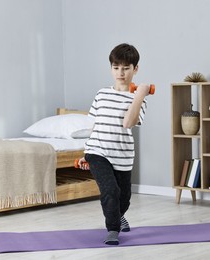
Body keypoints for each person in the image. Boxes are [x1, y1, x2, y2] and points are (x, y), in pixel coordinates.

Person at [77, 43, 150, 245]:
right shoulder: (101, 94)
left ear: (135, 69)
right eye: (116, 68)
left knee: (124, 197)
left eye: (126, 68)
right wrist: (86, 152)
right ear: (111, 68)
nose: (121, 73)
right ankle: (113, 230)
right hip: (98, 152)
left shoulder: (139, 100)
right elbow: (94, 126)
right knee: (111, 191)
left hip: (123, 156)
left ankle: (118, 215)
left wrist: (140, 95)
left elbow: (128, 123)